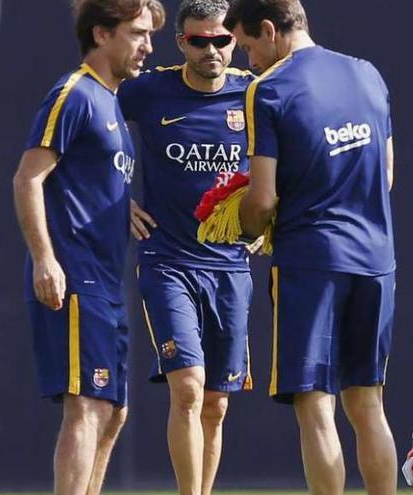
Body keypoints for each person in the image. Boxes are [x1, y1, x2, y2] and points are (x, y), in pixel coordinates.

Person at [223, 1, 397, 493]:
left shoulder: (269, 89)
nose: (249, 61)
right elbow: (386, 174)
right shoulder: (367, 74)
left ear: (267, 30)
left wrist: (241, 226)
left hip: (310, 263)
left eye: (250, 46)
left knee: (315, 403)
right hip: (375, 260)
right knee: (367, 404)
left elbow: (261, 198)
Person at [12, 1, 164, 493]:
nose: (147, 47)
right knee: (89, 404)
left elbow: (86, 180)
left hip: (106, 279)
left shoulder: (112, 102)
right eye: (137, 34)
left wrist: (121, 207)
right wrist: (44, 258)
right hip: (76, 275)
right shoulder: (74, 93)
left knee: (114, 411)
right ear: (102, 34)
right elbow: (28, 178)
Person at [117, 1, 255, 494]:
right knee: (188, 388)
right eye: (200, 41)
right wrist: (117, 200)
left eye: (222, 40)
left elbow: (294, 160)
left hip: (231, 266)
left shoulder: (253, 92)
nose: (212, 50)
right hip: (167, 260)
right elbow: (83, 123)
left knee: (217, 403)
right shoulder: (149, 91)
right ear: (181, 42)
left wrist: (268, 215)